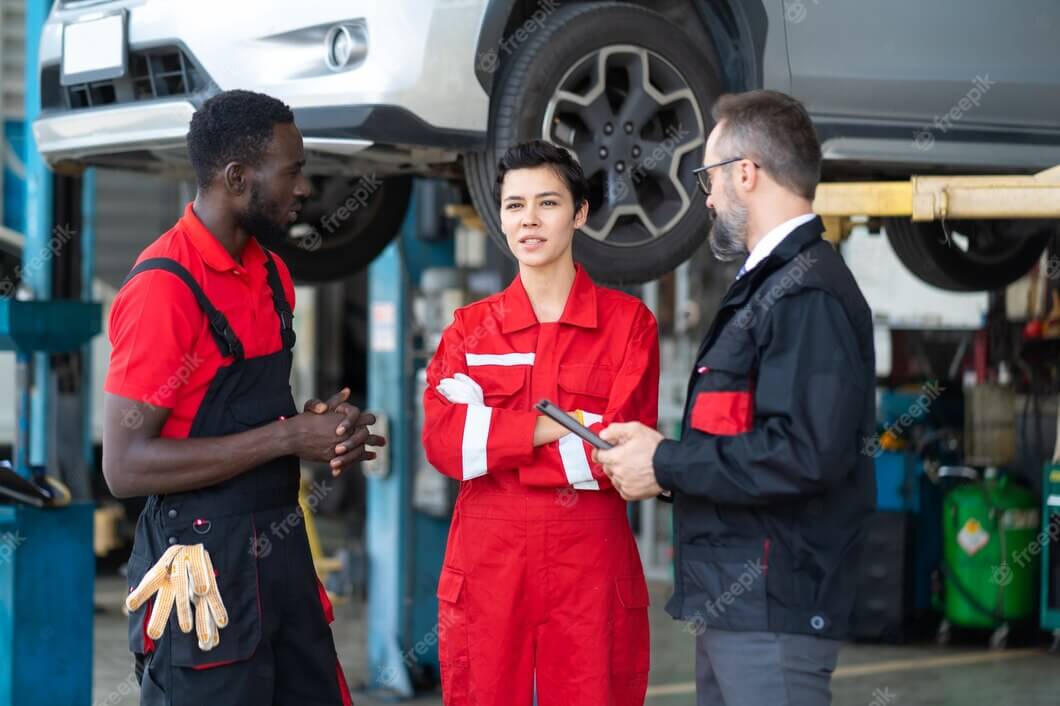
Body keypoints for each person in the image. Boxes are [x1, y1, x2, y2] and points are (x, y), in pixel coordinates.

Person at [102, 89, 384, 705]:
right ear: (237, 178)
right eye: (293, 171)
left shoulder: (270, 271)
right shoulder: (164, 289)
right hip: (200, 572)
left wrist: (316, 426)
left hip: (279, 558)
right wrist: (286, 438)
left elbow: (247, 410)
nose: (304, 188)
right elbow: (124, 468)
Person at [596, 90, 876, 706]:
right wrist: (664, 464)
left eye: (709, 177)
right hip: (739, 605)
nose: (707, 197)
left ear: (744, 174)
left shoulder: (805, 295)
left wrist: (666, 463)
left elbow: (804, 454)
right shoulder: (770, 287)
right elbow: (747, 439)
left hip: (772, 606)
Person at [422, 140, 659, 706]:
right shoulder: (469, 331)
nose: (528, 220)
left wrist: (495, 439)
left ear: (579, 213)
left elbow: (616, 461)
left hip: (589, 568)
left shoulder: (628, 326)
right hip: (489, 565)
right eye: (514, 205)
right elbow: (444, 444)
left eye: (547, 203)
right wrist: (551, 427)